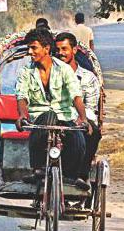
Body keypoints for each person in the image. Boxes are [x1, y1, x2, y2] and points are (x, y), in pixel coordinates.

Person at [15, 27, 89, 189]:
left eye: (33, 48)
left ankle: (71, 175)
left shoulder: (64, 69)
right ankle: (38, 168)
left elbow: (76, 95)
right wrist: (22, 115)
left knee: (78, 138)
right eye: (29, 48)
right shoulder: (26, 72)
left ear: (46, 48)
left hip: (64, 117)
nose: (30, 52)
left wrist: (83, 118)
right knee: (49, 116)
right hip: (39, 119)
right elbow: (22, 96)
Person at [54, 31, 101, 178]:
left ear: (74, 50)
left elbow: (91, 108)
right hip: (57, 117)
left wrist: (79, 119)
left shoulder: (88, 78)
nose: (61, 53)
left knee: (94, 132)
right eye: (58, 50)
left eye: (64, 49)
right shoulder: (50, 74)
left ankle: (81, 174)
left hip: (80, 119)